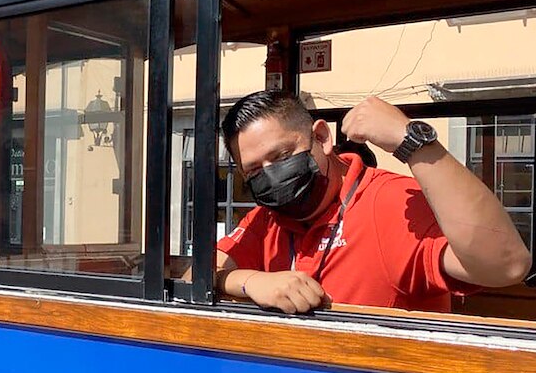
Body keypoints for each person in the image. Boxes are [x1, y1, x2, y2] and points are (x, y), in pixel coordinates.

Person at [216, 91, 531, 314]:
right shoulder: (268, 218)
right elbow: (201, 275)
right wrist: (251, 282)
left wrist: (413, 142)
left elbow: (506, 265)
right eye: (255, 170)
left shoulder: (391, 203)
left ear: (323, 138)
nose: (272, 176)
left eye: (282, 156)